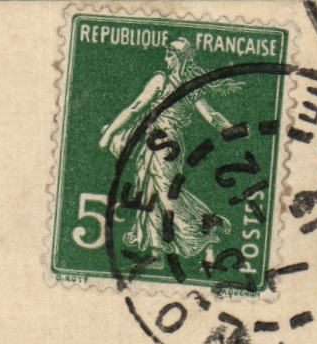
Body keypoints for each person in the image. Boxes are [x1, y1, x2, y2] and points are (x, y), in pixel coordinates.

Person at [99, 37, 239, 258]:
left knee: (166, 193)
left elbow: (135, 108)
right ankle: (157, 251)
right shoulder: (177, 83)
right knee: (149, 192)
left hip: (166, 144)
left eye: (169, 55)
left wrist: (108, 134)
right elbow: (210, 115)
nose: (165, 59)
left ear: (178, 58)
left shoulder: (170, 82)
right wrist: (230, 128)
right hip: (155, 141)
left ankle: (206, 224)